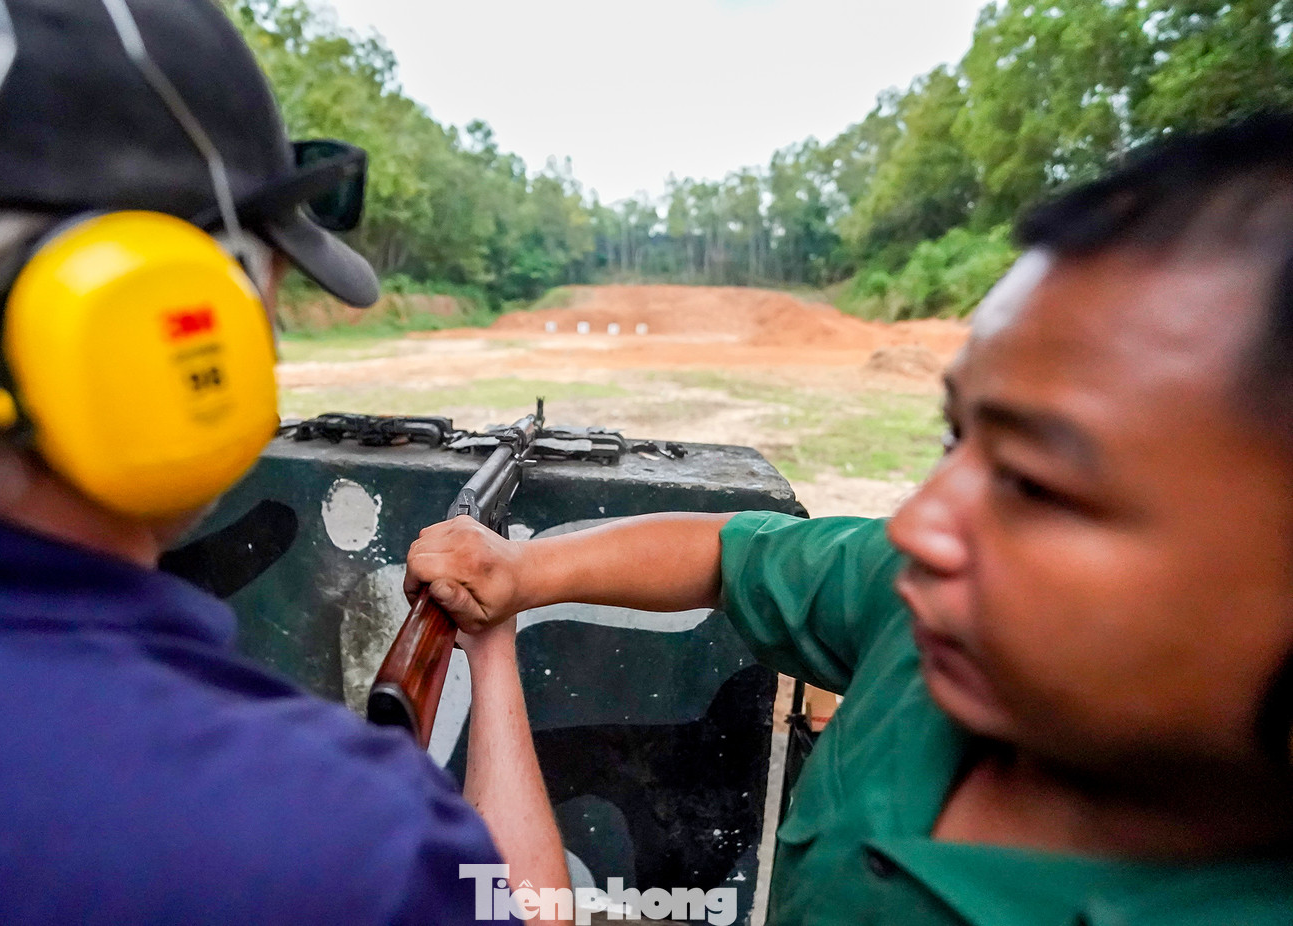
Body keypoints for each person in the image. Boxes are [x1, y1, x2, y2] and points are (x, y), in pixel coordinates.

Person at [407, 113, 1293, 923]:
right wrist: (520, 577)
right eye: (956, 439)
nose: (913, 528)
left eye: (1032, 483)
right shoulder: (926, 615)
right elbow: (725, 552)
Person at [0, 0, 567, 922]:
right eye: (265, 295)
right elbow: (524, 905)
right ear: (166, 330)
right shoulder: (338, 848)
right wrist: (492, 643)